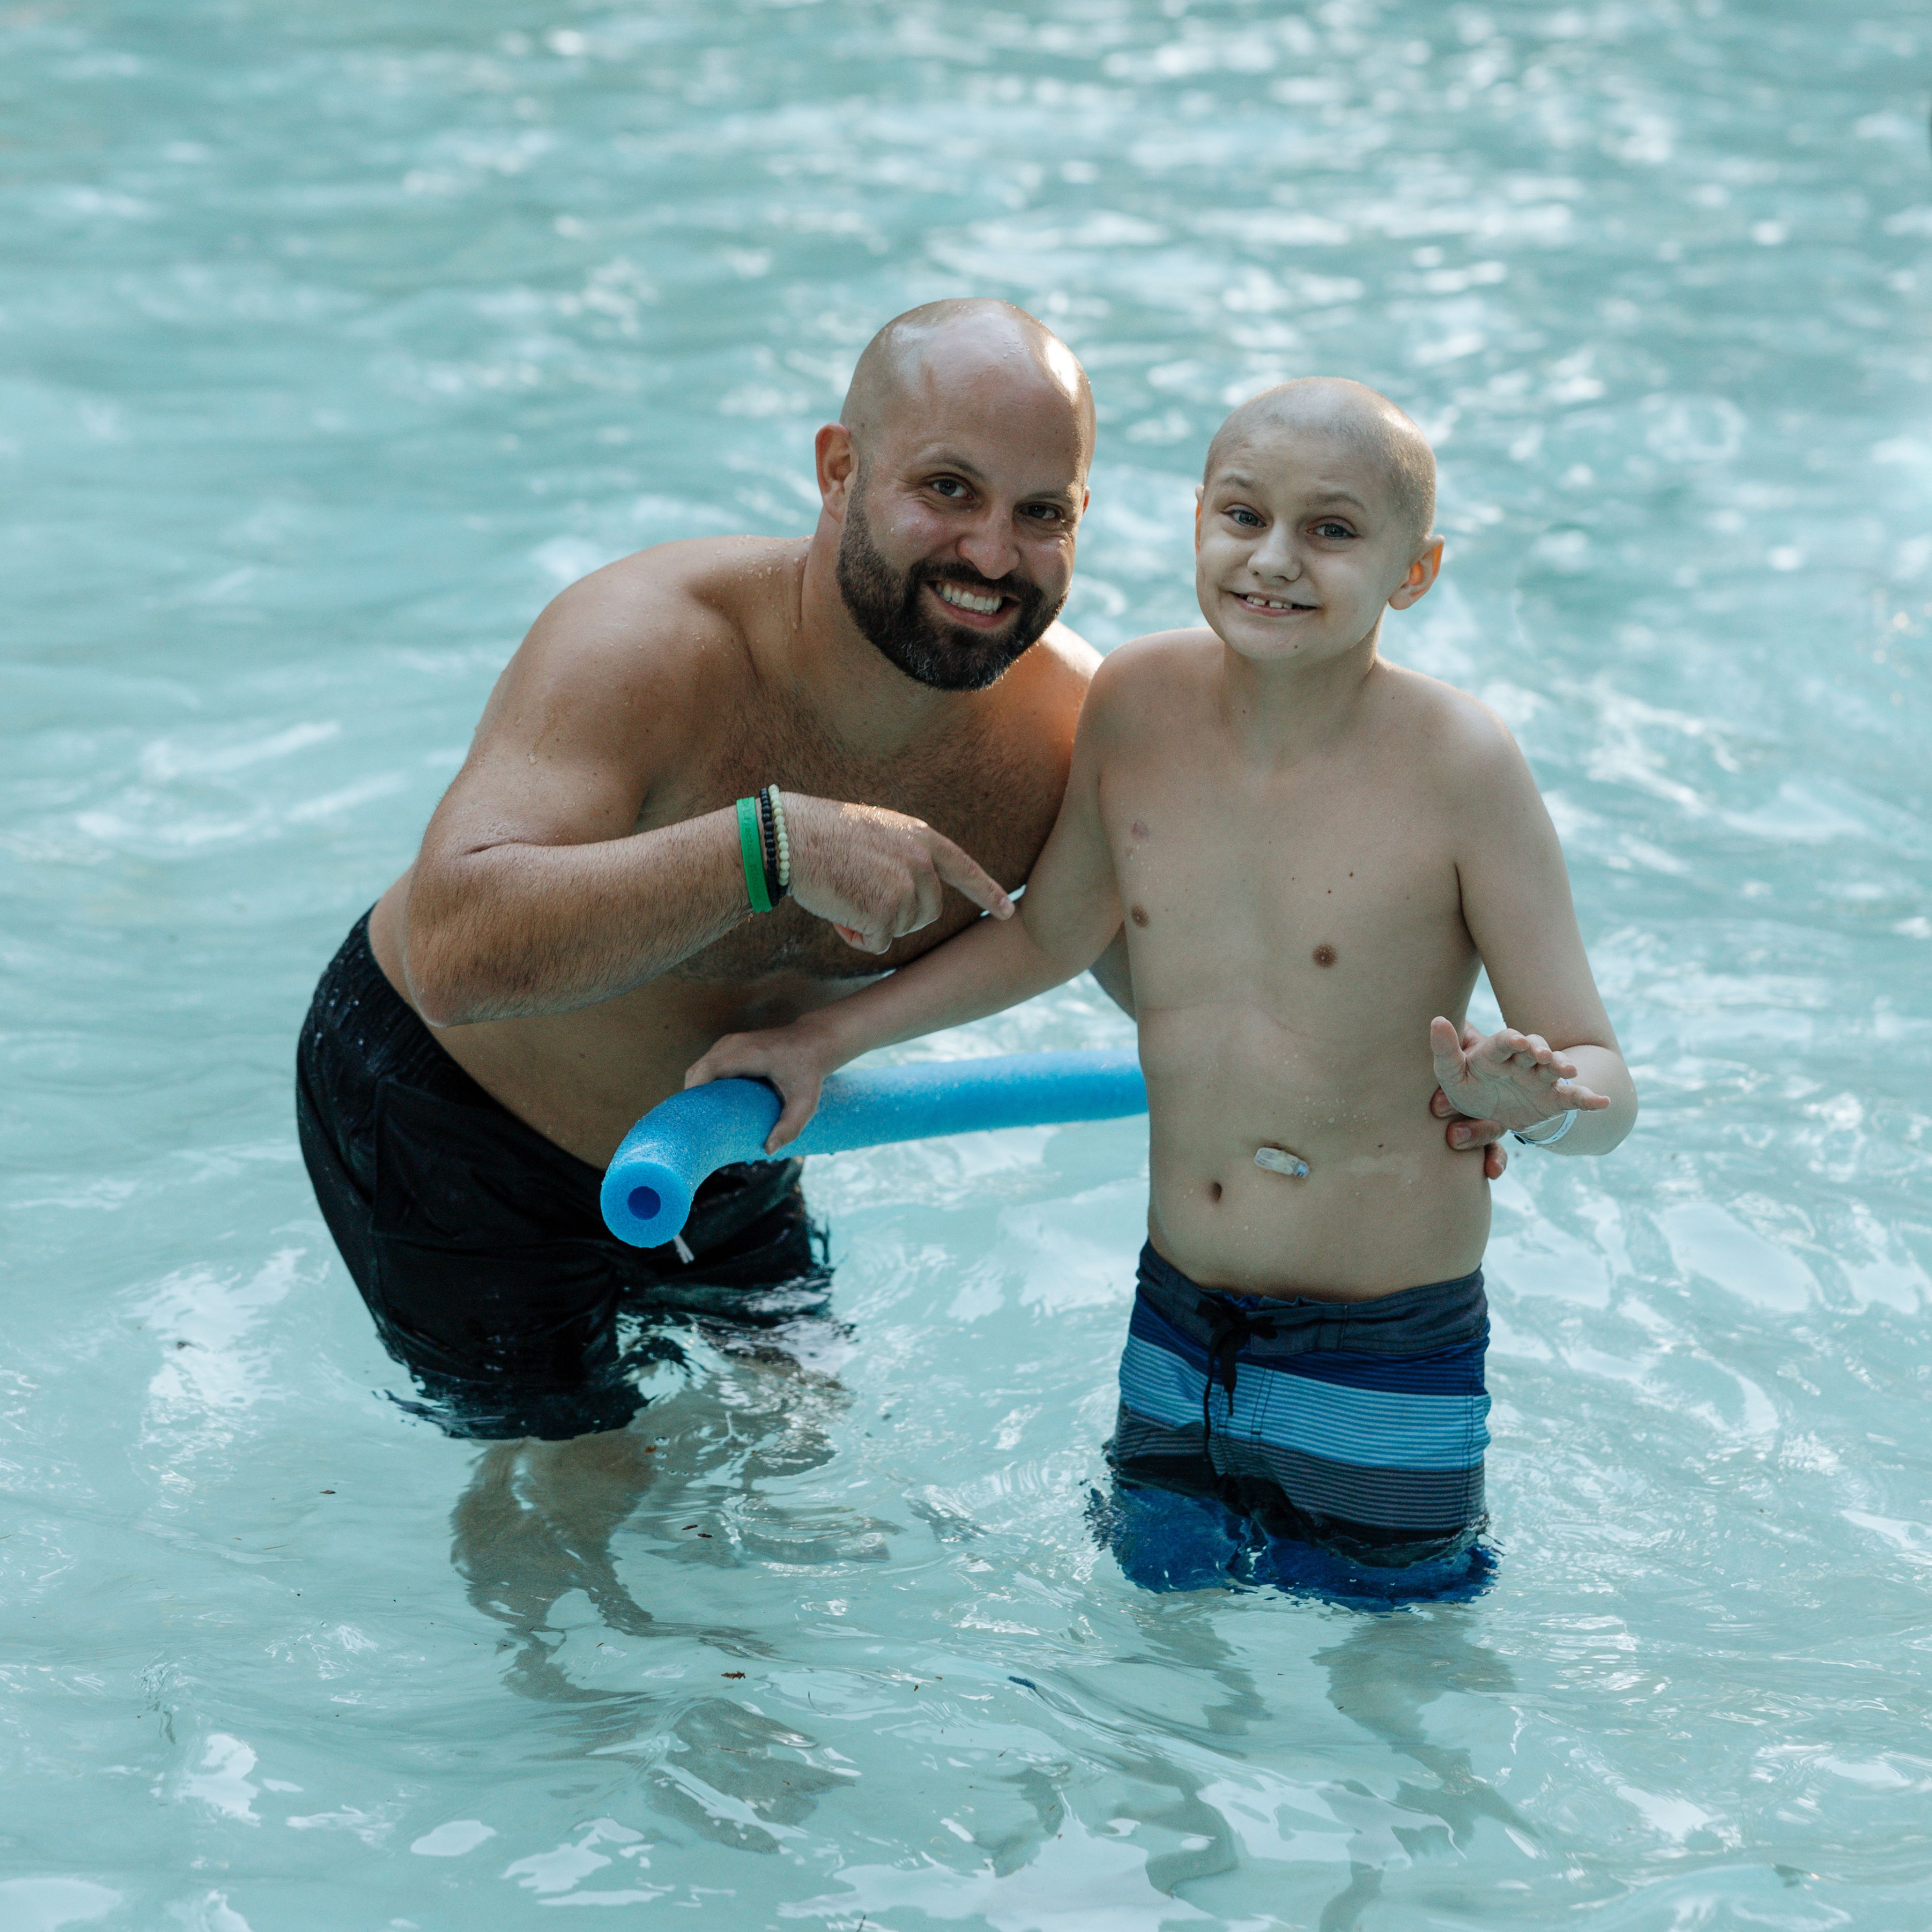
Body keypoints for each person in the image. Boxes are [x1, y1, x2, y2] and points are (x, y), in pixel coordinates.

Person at [296, 303, 1510, 1444]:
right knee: (576, 1501)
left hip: (735, 1138)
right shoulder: (648, 644)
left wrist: (1401, 1104)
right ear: (839, 470)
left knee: (804, 1449)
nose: (993, 552)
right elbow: (458, 958)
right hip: (455, 1116)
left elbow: (1196, 999)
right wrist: (771, 847)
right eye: (947, 490)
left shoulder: (1065, 735)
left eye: (1045, 513)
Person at [686, 377, 1638, 1569]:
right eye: (1244, 517)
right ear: (1197, 517)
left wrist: (1534, 1109)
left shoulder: (1460, 765)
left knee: (1392, 1684)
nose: (1276, 561)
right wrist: (822, 1042)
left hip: (1384, 1348)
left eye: (1333, 531)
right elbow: (1048, 937)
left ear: (1416, 569)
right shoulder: (1135, 703)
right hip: (1178, 1321)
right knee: (1151, 1655)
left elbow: (1606, 1083)